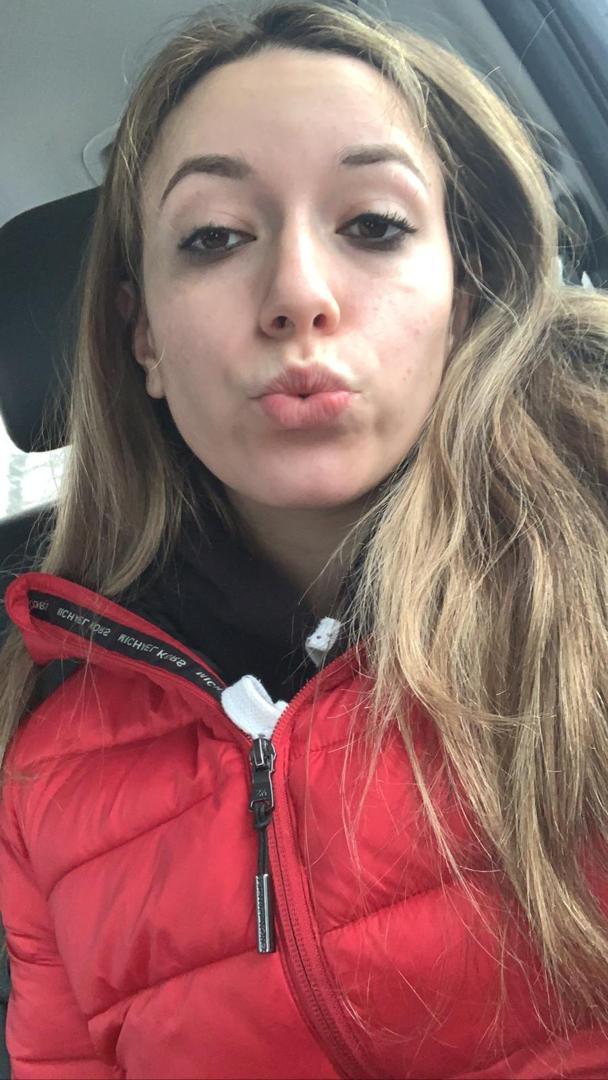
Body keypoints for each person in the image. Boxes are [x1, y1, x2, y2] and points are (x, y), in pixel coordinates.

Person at [0, 0, 607, 1076]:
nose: (297, 294)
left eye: (372, 224)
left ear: (462, 297)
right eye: (215, 237)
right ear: (143, 338)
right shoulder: (43, 761)